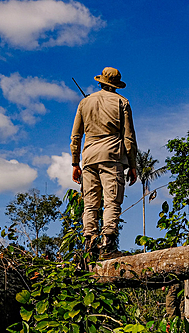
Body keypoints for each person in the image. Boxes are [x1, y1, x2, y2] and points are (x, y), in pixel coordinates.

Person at [70, 67, 137, 257]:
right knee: (111, 202)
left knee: (90, 204)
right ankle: (108, 246)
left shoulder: (84, 102)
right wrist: (132, 165)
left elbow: (76, 136)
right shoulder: (122, 102)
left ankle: (89, 246)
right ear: (116, 86)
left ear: (100, 82)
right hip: (112, 156)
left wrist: (75, 163)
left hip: (89, 158)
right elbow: (129, 138)